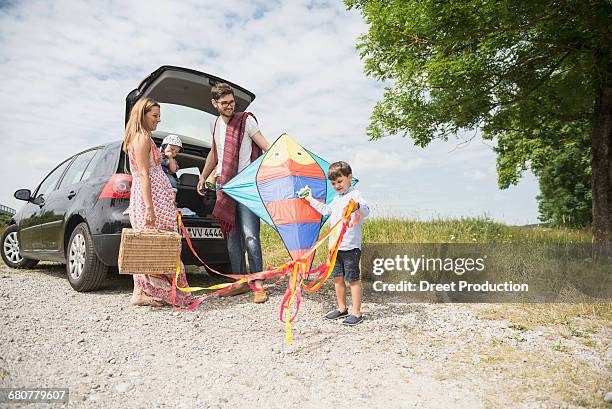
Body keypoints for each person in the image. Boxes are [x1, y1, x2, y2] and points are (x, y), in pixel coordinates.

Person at [196, 83, 270, 304]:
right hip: (224, 187)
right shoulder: (215, 124)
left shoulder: (246, 120)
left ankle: (257, 284)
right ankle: (238, 282)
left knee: (250, 236)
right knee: (232, 238)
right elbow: (214, 153)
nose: (229, 106)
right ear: (214, 104)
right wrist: (203, 176)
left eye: (232, 102)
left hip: (245, 186)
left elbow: (265, 146)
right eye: (224, 103)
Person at [123, 98, 193, 307]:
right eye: (154, 116)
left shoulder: (139, 137)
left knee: (148, 244)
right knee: (161, 243)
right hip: (151, 197)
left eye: (159, 116)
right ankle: (167, 293)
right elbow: (144, 174)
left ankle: (139, 293)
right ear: (142, 115)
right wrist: (150, 208)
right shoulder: (142, 138)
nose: (158, 120)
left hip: (153, 195)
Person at [303, 161, 370, 326]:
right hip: (335, 248)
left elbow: (366, 210)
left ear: (349, 178)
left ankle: (357, 312)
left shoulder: (355, 195)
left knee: (353, 279)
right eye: (333, 183)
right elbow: (326, 210)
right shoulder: (336, 199)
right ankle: (342, 308)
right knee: (337, 278)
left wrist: (357, 206)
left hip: (350, 247)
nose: (337, 186)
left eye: (340, 181)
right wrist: (309, 198)